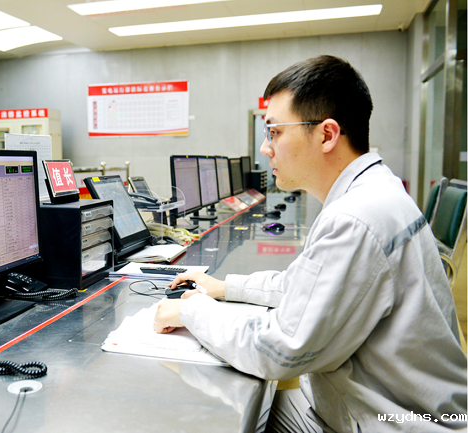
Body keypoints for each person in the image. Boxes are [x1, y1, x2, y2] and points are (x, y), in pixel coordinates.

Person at [153, 55, 467, 432]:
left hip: (396, 422)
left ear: (327, 135)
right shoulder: (372, 192)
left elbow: (278, 350)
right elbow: (304, 286)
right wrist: (224, 287)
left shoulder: (355, 218)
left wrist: (191, 310)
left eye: (274, 132)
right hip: (377, 404)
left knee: (205, 414)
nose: (265, 148)